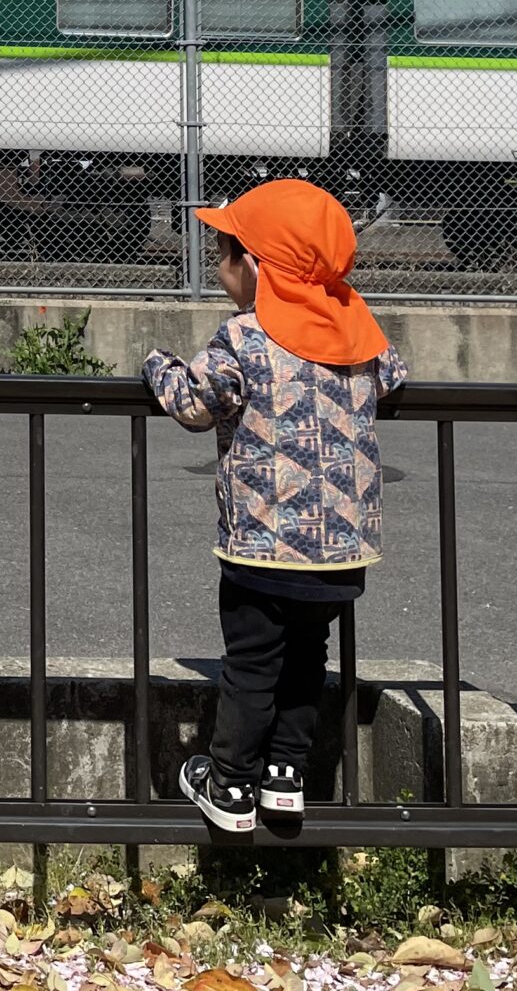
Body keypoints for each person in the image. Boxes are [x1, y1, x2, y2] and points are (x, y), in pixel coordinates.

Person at [144, 180, 402, 834]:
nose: (220, 268)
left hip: (263, 544)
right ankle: (286, 776)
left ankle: (230, 783)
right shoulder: (358, 330)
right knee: (308, 658)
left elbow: (194, 405)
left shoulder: (244, 337)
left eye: (224, 254)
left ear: (256, 266)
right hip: (340, 548)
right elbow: (392, 378)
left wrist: (157, 366)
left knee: (252, 664)